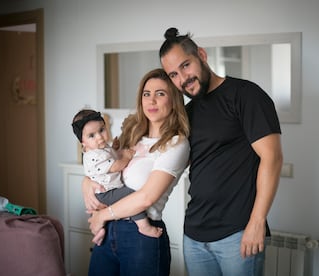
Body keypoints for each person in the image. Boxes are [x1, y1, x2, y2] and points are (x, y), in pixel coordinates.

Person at [159, 27, 283, 276]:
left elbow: (273, 158)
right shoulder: (188, 113)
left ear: (201, 55)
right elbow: (167, 162)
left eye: (185, 65)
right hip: (194, 235)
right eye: (173, 74)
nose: (183, 78)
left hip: (237, 233)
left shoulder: (245, 95)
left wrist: (257, 222)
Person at [82, 68, 190, 276]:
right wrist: (86, 182)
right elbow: (103, 169)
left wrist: (101, 215)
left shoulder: (176, 144)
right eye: (146, 94)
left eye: (160, 93)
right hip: (109, 231)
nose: (151, 100)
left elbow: (146, 198)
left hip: (140, 235)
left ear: (174, 100)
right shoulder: (132, 136)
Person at [71, 109, 163, 246]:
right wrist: (126, 156)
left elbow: (110, 155)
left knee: (101, 211)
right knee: (131, 197)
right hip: (106, 192)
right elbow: (116, 166)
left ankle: (99, 232)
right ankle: (144, 226)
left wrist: (114, 148)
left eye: (101, 130)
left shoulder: (100, 148)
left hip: (103, 190)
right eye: (91, 135)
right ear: (82, 142)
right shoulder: (94, 155)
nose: (99, 137)